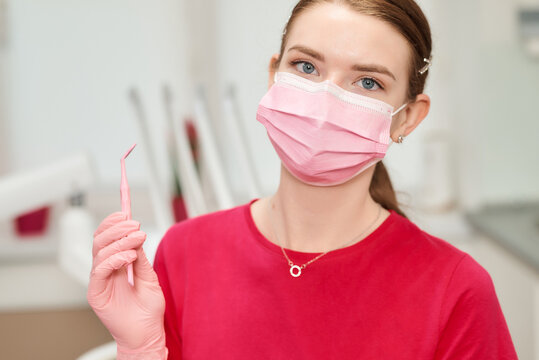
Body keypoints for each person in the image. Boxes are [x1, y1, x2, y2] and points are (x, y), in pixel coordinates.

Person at [87, 0, 518, 359]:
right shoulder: (185, 254)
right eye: (306, 67)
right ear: (274, 76)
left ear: (406, 117)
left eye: (367, 82)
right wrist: (139, 348)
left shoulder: (455, 292)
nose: (326, 101)